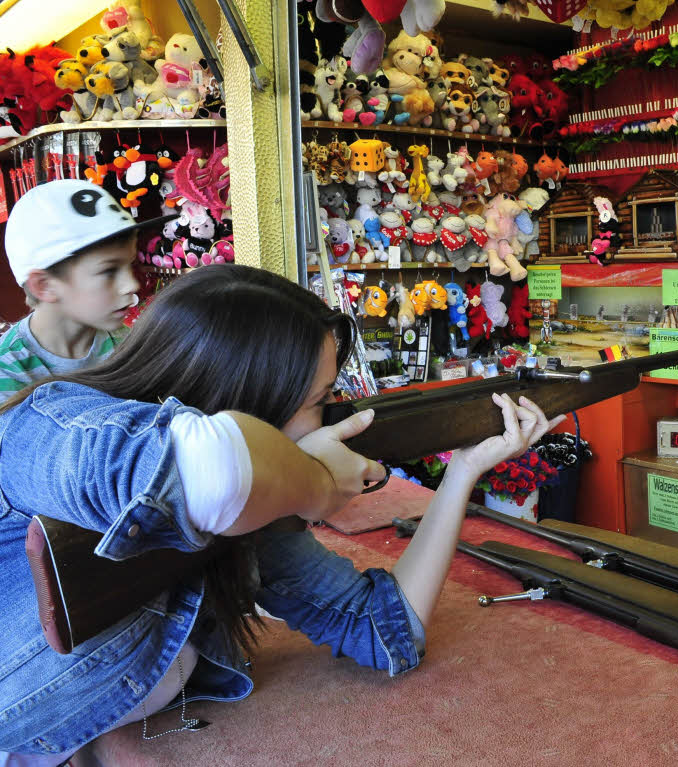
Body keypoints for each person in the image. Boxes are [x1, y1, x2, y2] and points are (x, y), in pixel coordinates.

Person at [0, 264, 563, 765]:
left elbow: (386, 632)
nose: (326, 420)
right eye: (318, 401)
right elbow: (215, 470)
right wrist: (316, 485)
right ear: (243, 396)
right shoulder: (48, 427)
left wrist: (464, 472)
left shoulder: (253, 513)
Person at [0, 179, 172, 402]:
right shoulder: (7, 373)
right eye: (108, 271)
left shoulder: (127, 345)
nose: (131, 285)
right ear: (44, 286)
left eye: (129, 264)